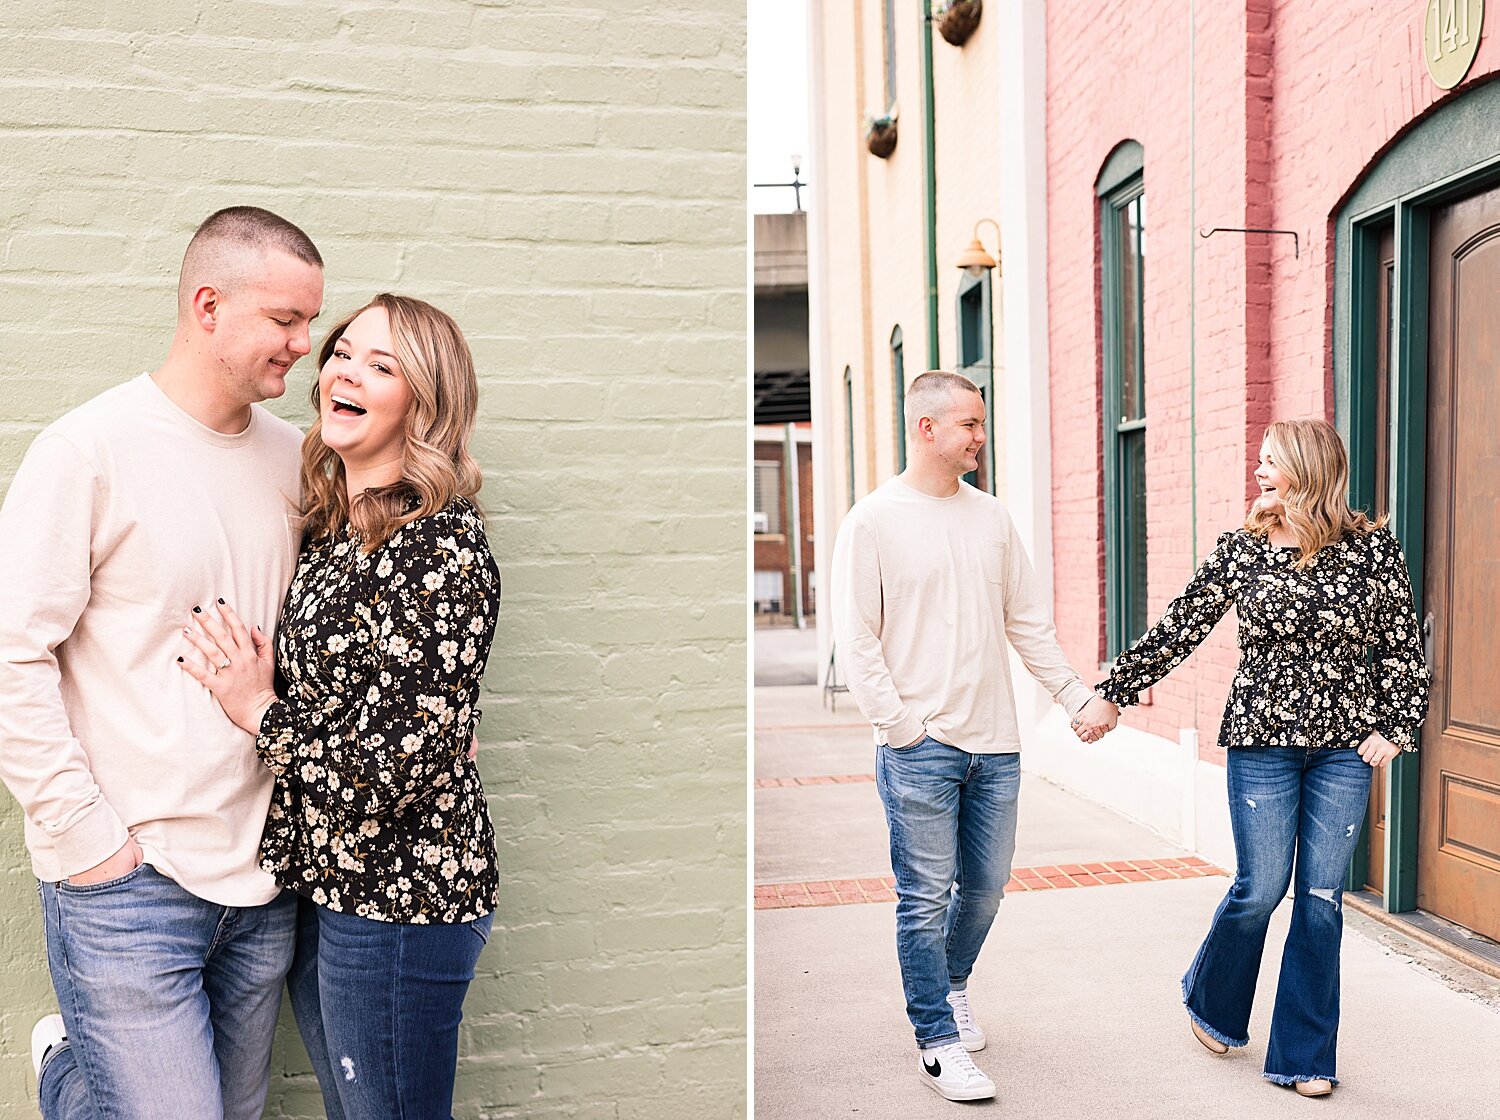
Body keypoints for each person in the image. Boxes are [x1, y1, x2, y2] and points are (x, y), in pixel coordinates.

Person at [0, 207, 324, 1118]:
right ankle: (69, 1076)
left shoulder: (295, 461)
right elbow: (10, 651)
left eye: (309, 321)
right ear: (208, 305)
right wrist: (86, 837)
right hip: (129, 883)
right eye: (286, 320)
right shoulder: (88, 452)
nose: (305, 345)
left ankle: (83, 1083)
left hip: (261, 883)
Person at [177, 292, 501, 1119]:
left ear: (423, 402)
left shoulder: (442, 548)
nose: (344, 373)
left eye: (382, 365)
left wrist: (259, 712)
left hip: (399, 899)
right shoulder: (333, 534)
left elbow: (389, 768)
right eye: (344, 353)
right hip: (325, 886)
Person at [1095, 417, 1429, 1097]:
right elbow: (1182, 624)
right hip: (1262, 744)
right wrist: (1116, 693)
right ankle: (1212, 1000)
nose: (1258, 471)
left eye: (1270, 460)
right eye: (1258, 460)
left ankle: (1305, 1057)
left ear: (1308, 468)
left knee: (1320, 897)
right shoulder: (1243, 549)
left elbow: (1402, 647)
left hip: (1343, 748)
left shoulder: (1373, 551)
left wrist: (1396, 727)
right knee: (1262, 888)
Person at [830, 370, 1118, 1102]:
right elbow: (858, 641)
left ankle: (953, 985)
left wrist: (1075, 697)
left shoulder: (992, 518)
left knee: (984, 890)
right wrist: (901, 728)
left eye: (981, 424)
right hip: (920, 747)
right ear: (926, 428)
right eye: (969, 425)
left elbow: (1027, 621)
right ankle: (937, 1040)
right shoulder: (872, 521)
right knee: (924, 897)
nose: (980, 438)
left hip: (996, 743)